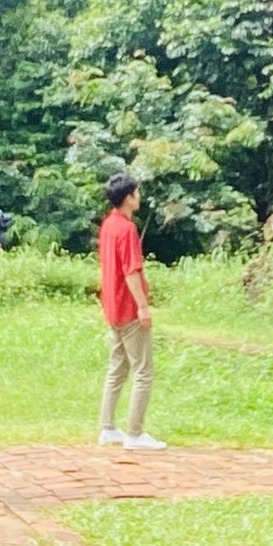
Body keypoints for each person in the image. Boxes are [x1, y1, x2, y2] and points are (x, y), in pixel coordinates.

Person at [97, 173, 164, 449]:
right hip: (128, 308)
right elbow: (131, 271)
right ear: (128, 198)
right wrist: (143, 307)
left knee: (117, 368)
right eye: (136, 192)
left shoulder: (108, 225)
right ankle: (135, 433)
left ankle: (107, 428)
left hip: (112, 307)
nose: (139, 196)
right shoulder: (126, 229)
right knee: (143, 371)